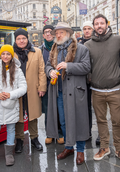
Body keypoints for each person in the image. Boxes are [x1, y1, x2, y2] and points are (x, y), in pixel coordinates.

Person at [84, 14, 120, 164]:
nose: (99, 26)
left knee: (117, 121)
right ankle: (104, 147)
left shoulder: (118, 40)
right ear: (93, 26)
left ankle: (119, 148)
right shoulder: (88, 45)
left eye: (101, 23)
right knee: (101, 120)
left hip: (115, 89)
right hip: (97, 91)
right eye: (96, 24)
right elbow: (85, 65)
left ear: (107, 24)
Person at [46, 22, 91, 165]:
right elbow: (48, 65)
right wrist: (50, 71)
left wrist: (68, 66)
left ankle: (80, 151)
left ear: (68, 34)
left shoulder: (81, 48)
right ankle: (69, 147)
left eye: (61, 32)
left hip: (76, 91)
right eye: (56, 33)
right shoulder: (54, 49)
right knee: (64, 121)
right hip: (59, 92)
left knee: (78, 121)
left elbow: (86, 67)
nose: (58, 35)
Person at [13, 28, 47, 153]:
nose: (21, 41)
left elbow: (41, 70)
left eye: (23, 38)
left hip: (32, 88)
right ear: (15, 40)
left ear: (27, 39)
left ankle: (34, 138)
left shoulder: (37, 51)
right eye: (18, 39)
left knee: (33, 115)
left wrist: (42, 87)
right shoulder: (11, 53)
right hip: (17, 90)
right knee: (19, 116)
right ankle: (19, 140)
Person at [38, 25, 64, 145]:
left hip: (58, 83)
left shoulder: (59, 47)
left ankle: (59, 133)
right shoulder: (40, 50)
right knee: (48, 110)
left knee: (59, 109)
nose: (48, 34)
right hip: (46, 84)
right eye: (46, 32)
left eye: (50, 32)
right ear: (43, 35)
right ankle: (49, 133)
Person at [79, 21, 94, 138]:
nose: (87, 30)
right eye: (85, 28)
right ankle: (87, 131)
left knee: (99, 108)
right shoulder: (78, 43)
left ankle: (100, 133)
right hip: (83, 79)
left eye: (89, 28)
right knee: (86, 106)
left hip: (96, 78)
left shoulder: (97, 41)